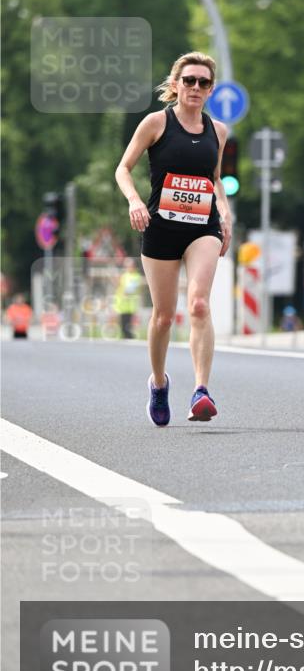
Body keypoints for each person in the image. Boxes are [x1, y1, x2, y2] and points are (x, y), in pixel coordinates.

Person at [115, 52, 232, 426]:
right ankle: (160, 382)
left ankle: (201, 391)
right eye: (189, 80)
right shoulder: (155, 123)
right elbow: (123, 169)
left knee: (198, 304)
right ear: (176, 84)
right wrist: (134, 201)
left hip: (203, 227)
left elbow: (214, 179)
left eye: (203, 82)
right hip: (161, 227)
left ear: (211, 89)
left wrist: (225, 211)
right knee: (164, 318)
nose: (196, 87)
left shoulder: (219, 130)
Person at [113, 258, 144, 339]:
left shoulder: (136, 276)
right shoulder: (124, 275)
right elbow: (120, 287)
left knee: (127, 328)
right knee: (122, 327)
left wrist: (125, 293)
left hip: (129, 306)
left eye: (129, 265)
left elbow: (130, 290)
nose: (127, 267)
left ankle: (131, 340)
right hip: (121, 305)